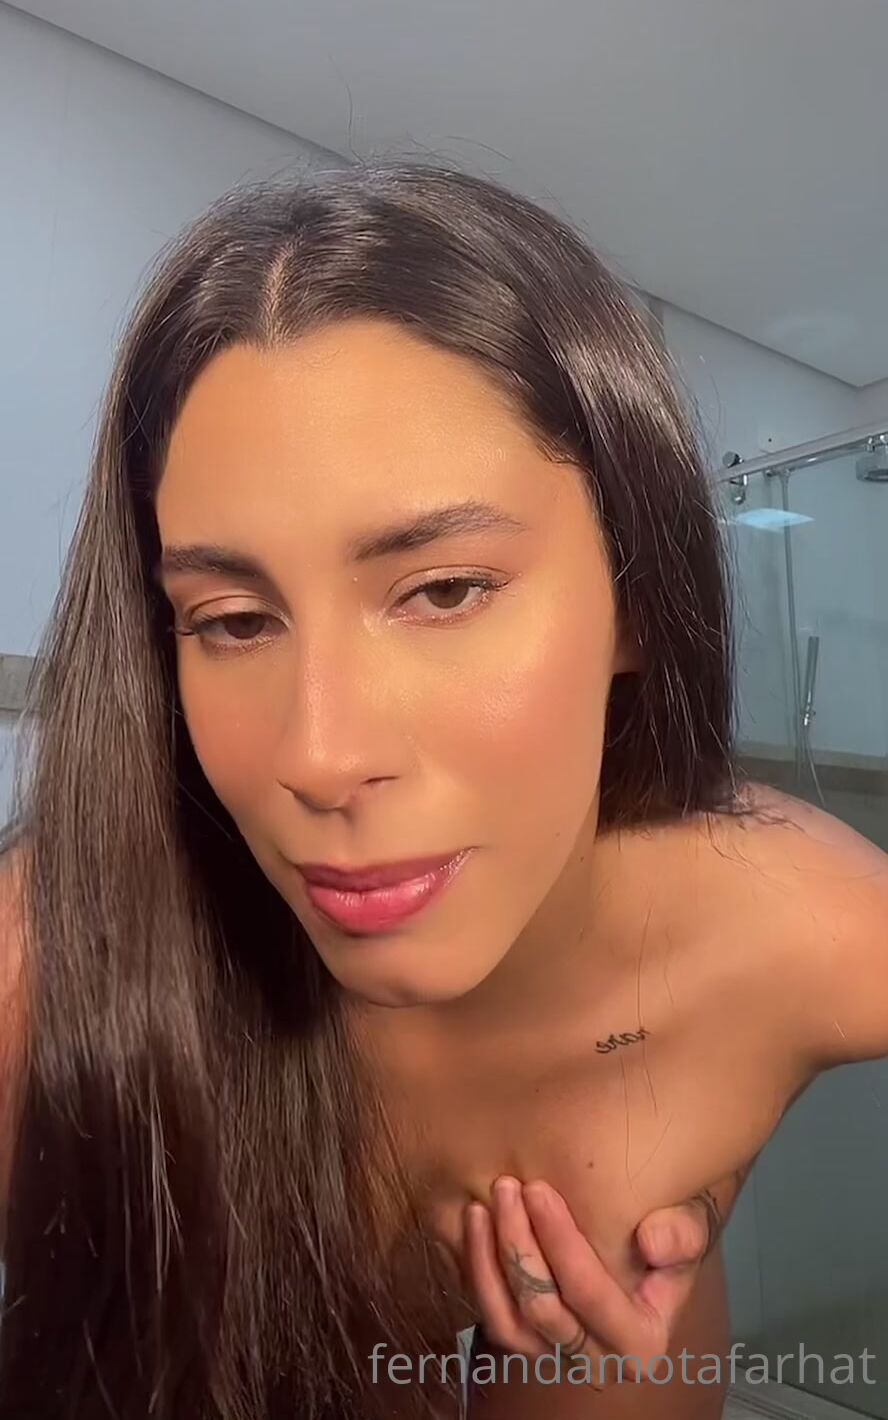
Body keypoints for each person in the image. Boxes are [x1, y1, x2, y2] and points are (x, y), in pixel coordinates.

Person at [0, 160, 886, 1420]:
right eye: (234, 619)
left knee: (631, 1276)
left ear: (637, 599)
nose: (319, 754)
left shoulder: (782, 926)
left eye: (446, 589)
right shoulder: (51, 967)